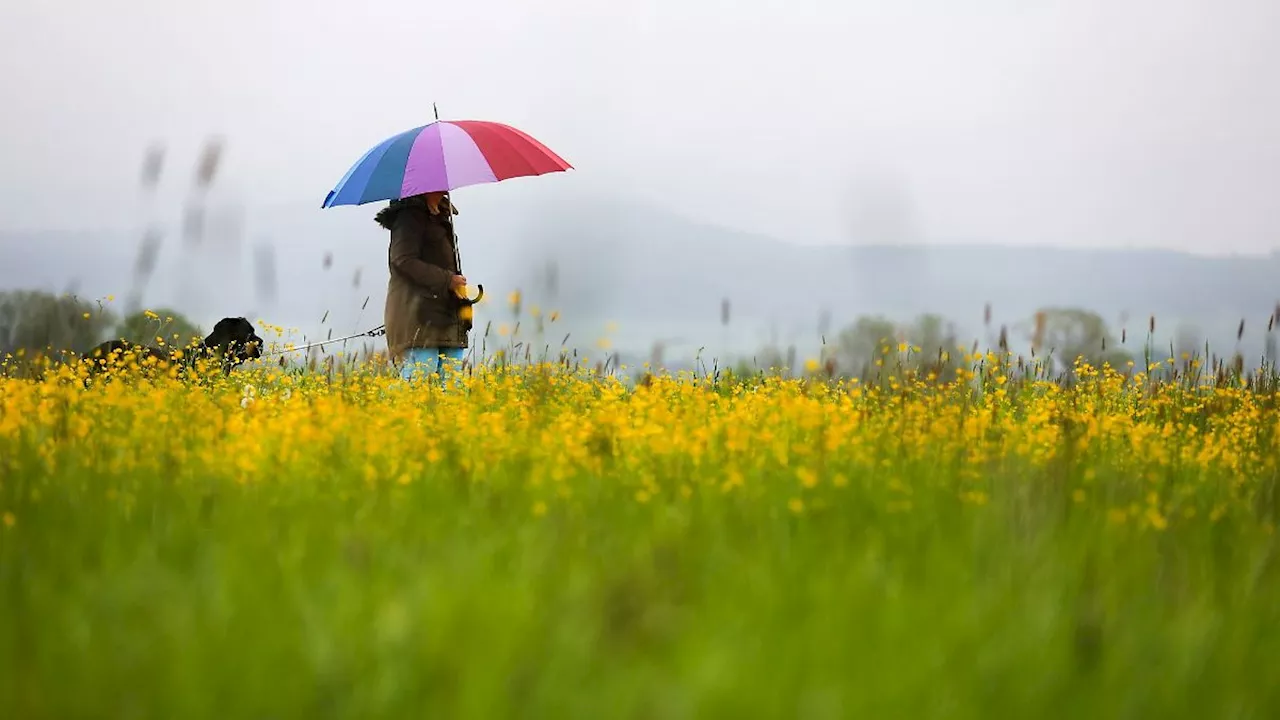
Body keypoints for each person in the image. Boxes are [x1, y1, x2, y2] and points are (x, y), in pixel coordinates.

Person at [376, 191, 471, 385]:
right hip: (417, 314)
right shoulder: (408, 217)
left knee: (453, 386)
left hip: (446, 313)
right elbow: (402, 260)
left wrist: (455, 285)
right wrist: (448, 280)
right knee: (419, 383)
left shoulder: (441, 214)